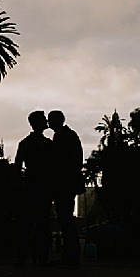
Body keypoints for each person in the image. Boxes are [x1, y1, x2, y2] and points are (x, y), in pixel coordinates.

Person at [14, 110, 54, 266]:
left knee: (41, 223)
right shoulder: (27, 143)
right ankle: (25, 257)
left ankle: (41, 257)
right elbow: (18, 166)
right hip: (32, 187)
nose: (46, 122)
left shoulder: (45, 144)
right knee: (29, 224)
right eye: (43, 120)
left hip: (41, 187)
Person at [48, 109, 85, 266]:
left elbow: (62, 161)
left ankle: (70, 255)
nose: (48, 123)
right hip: (66, 183)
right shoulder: (67, 135)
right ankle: (70, 255)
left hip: (64, 184)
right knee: (66, 220)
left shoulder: (64, 136)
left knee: (65, 220)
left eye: (50, 120)